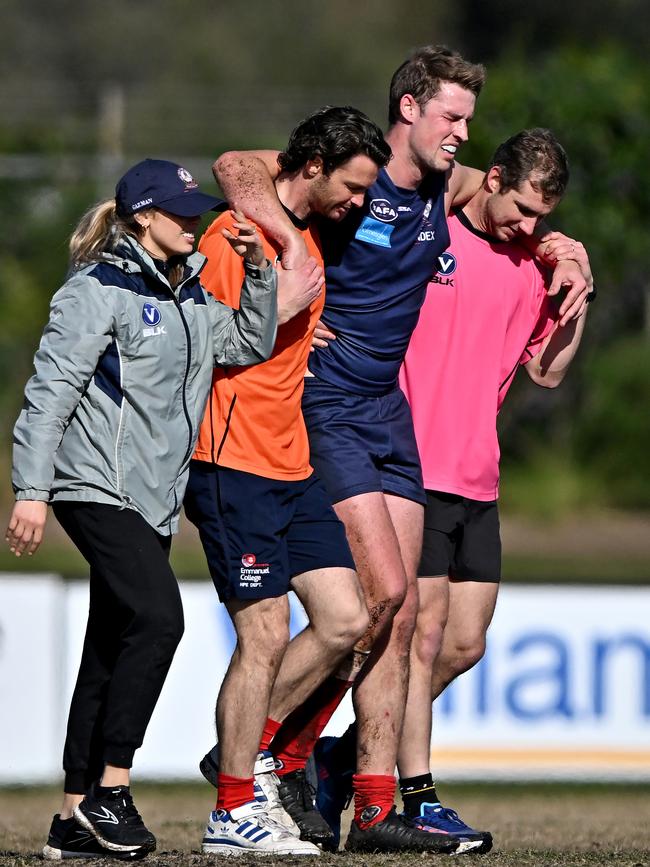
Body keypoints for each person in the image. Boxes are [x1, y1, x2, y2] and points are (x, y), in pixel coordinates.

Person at [211, 45, 591, 854]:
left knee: (403, 610)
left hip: (390, 411)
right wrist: (290, 244)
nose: (463, 135)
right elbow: (236, 166)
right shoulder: (361, 173)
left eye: (469, 121)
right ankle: (256, 752)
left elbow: (503, 206)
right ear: (411, 108)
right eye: (452, 118)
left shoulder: (447, 189)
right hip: (333, 403)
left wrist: (563, 247)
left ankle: (377, 803)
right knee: (382, 593)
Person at [4, 157, 312, 861]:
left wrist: (259, 274)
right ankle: (113, 787)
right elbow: (49, 392)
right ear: (143, 216)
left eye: (197, 209)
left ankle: (71, 816)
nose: (195, 220)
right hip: (92, 486)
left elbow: (247, 342)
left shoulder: (194, 294)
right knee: (158, 617)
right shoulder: (95, 290)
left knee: (110, 643)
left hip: (152, 498)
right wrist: (31, 489)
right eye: (181, 211)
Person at [184, 106, 394, 856]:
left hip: (291, 457)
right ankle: (232, 808)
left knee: (348, 619)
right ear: (312, 167)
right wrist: (288, 305)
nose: (360, 205)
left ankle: (244, 754)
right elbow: (201, 343)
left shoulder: (301, 236)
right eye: (353, 186)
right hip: (231, 454)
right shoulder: (231, 234)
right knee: (264, 632)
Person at [394, 128, 591, 847]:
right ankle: (415, 796)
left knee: (465, 643)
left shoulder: (533, 266)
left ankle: (349, 752)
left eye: (544, 216)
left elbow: (549, 370)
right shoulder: (432, 224)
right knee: (420, 637)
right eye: (521, 209)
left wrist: (580, 290)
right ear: (496, 177)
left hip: (478, 475)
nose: (530, 226)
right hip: (410, 466)